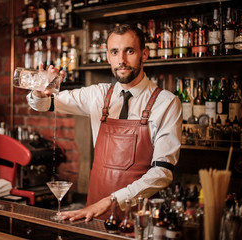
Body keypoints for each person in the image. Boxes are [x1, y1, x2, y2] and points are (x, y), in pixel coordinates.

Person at [27, 24, 182, 222]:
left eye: (130, 51)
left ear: (144, 54)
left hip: (139, 218)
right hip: (94, 214)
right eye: (115, 52)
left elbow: (162, 172)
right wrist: (39, 90)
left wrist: (111, 200)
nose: (122, 60)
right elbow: (42, 104)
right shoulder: (97, 95)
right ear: (107, 56)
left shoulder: (166, 102)